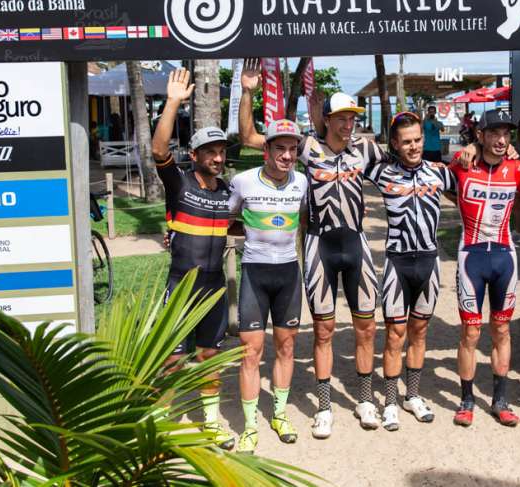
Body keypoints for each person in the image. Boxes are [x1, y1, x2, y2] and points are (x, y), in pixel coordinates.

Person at [239, 62, 383, 438]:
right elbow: (250, 137)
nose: (349, 124)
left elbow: (408, 158)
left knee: (366, 328)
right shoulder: (308, 148)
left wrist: (468, 151)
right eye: (342, 118)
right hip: (320, 245)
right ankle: (323, 406)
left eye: (353, 118)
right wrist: (248, 93)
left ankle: (365, 399)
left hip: (356, 244)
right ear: (327, 119)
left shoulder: (366, 150)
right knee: (323, 331)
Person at [150, 67, 235, 449]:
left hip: (214, 290)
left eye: (221, 151)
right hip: (181, 286)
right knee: (173, 358)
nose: (218, 158)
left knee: (209, 356)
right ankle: (163, 421)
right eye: (210, 152)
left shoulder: (227, 191)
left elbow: (236, 227)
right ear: (194, 154)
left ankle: (211, 421)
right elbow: (157, 151)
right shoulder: (179, 181)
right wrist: (172, 103)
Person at [364, 111, 456, 431]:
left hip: (429, 263)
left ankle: (412, 396)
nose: (414, 146)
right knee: (395, 335)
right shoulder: (383, 173)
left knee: (419, 332)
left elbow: (473, 178)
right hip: (397, 263)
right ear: (395, 144)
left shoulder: (439, 173)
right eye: (407, 142)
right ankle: (390, 401)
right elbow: (348, 154)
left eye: (417, 139)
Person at [228, 108, 308, 453]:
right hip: (255, 273)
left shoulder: (301, 182)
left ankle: (278, 413)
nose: (287, 156)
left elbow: (302, 220)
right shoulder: (243, 181)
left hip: (288, 272)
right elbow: (227, 217)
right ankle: (248, 426)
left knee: (287, 346)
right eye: (280, 149)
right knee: (251, 351)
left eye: (293, 149)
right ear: (268, 150)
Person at [450, 109, 520, 428]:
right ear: (480, 135)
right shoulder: (461, 167)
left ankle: (500, 400)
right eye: (494, 133)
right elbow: (432, 173)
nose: (501, 140)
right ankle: (467, 399)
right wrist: (463, 152)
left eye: (506, 134)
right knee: (471, 332)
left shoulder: (517, 170)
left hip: (504, 258)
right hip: (470, 257)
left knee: (501, 329)